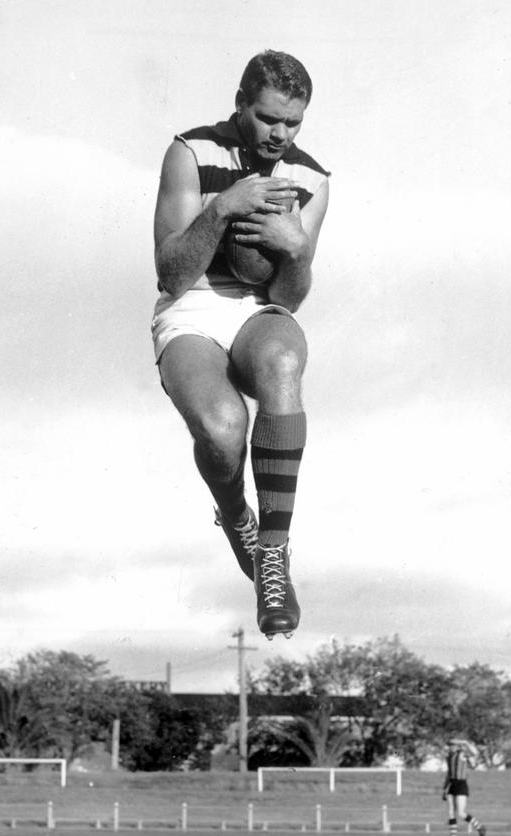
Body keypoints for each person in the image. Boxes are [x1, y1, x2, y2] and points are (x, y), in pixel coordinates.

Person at [151, 50, 330, 639]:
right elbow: (171, 274)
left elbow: (291, 296)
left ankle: (273, 559)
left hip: (258, 310)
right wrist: (223, 208)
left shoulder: (310, 179)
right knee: (224, 431)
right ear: (240, 104)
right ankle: (236, 519)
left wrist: (297, 249)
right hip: (193, 306)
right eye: (268, 117)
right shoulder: (190, 151)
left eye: (293, 122)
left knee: (282, 360)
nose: (281, 133)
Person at [442, 737, 487, 836]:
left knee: (461, 813)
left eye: (453, 745)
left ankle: (480, 828)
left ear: (457, 746)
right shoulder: (449, 757)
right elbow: (449, 773)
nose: (451, 747)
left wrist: (465, 742)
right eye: (450, 745)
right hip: (452, 784)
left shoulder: (462, 754)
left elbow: (474, 753)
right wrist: (444, 788)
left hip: (461, 784)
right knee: (451, 812)